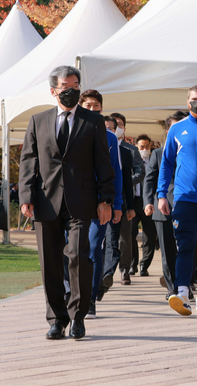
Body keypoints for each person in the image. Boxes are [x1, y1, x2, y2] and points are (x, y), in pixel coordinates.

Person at [19, 66, 115, 339]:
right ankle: (56, 319)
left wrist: (106, 199)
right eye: (65, 86)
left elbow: (103, 163)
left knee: (77, 257)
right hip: (45, 201)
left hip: (81, 202)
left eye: (75, 85)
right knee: (50, 262)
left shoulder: (93, 121)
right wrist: (26, 196)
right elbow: (29, 160)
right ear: (53, 91)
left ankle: (78, 315)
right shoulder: (38, 121)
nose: (71, 90)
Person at [158, 85, 197, 316]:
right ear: (187, 102)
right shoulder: (176, 129)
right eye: (194, 99)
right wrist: (161, 194)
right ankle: (182, 291)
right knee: (184, 246)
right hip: (184, 198)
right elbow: (166, 164)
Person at [79, 90, 123, 319]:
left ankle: (90, 298)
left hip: (101, 204)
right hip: (75, 202)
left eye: (96, 105)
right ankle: (72, 293)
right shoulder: (70, 131)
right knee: (73, 250)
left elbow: (116, 172)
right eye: (88, 105)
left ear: (102, 108)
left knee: (94, 248)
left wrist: (116, 203)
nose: (92, 109)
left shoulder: (110, 138)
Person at [144, 113, 185, 299]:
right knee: (168, 251)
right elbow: (150, 179)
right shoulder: (158, 154)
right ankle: (172, 287)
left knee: (188, 248)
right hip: (163, 207)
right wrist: (148, 203)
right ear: (168, 131)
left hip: (188, 205)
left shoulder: (193, 150)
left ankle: (187, 283)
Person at [100, 116, 136, 294]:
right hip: (94, 204)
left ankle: (110, 273)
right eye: (104, 127)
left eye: (111, 128)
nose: (108, 131)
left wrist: (128, 207)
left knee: (114, 242)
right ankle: (99, 278)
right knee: (98, 243)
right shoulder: (91, 146)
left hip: (116, 203)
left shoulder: (125, 153)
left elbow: (126, 182)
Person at [110, 112, 146, 275]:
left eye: (120, 125)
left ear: (124, 128)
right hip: (103, 198)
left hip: (124, 198)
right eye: (113, 124)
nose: (116, 127)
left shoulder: (130, 150)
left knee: (126, 236)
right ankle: (106, 270)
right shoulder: (99, 145)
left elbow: (140, 172)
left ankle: (125, 269)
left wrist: (123, 183)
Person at [132, 134, 157, 276]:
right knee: (130, 233)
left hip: (150, 201)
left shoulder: (154, 160)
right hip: (134, 201)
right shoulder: (132, 160)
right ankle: (132, 264)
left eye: (147, 146)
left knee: (149, 235)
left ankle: (144, 265)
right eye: (142, 146)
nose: (145, 149)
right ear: (137, 146)